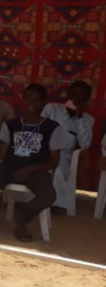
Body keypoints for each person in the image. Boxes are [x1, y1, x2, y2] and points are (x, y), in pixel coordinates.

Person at [0, 83, 68, 242]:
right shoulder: (11, 125)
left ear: (44, 102)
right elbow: (2, 153)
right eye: (28, 98)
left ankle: (22, 220)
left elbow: (54, 161)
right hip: (10, 167)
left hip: (37, 170)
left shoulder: (52, 128)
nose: (31, 103)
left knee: (48, 196)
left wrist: (30, 169)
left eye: (36, 100)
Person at [42, 80, 94, 213]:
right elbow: (37, 128)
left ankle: (55, 204)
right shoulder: (52, 109)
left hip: (63, 156)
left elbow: (85, 144)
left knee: (58, 171)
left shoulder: (87, 119)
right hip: (42, 150)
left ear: (86, 100)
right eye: (73, 95)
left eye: (80, 98)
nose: (75, 100)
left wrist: (79, 118)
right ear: (67, 95)